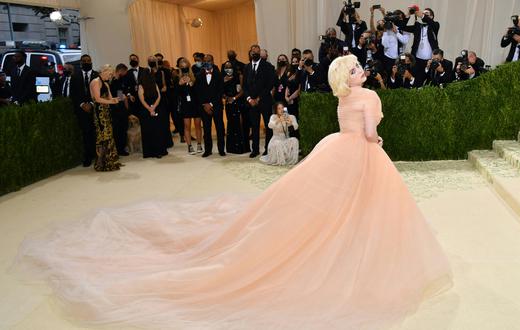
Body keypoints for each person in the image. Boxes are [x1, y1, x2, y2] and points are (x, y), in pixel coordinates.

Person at [17, 54, 452, 330]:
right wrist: (376, 143)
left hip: (336, 151)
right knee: (366, 205)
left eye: (357, 66)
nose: (360, 70)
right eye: (354, 67)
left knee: (329, 205)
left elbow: (349, 125)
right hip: (362, 154)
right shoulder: (371, 97)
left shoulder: (343, 99)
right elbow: (372, 133)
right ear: (350, 76)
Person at [242, 44, 276, 158]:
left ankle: (268, 148)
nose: (255, 54)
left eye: (257, 52)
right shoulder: (246, 67)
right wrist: (249, 99)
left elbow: (270, 84)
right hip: (251, 103)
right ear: (250, 53)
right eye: (253, 52)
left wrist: (258, 98)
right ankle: (255, 149)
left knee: (268, 126)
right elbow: (244, 86)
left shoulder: (267, 66)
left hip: (264, 101)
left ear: (260, 53)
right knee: (254, 126)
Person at [90, 64, 122, 171]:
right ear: (103, 71)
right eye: (109, 74)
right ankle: (102, 163)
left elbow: (110, 97)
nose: (110, 76)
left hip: (106, 112)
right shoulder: (95, 82)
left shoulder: (106, 84)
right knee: (102, 136)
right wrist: (111, 102)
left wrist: (116, 99)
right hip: (99, 113)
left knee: (109, 135)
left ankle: (111, 160)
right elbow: (97, 99)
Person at [70, 54, 99, 167]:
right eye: (84, 61)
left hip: (95, 109)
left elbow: (100, 93)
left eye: (88, 60)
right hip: (81, 110)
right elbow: (73, 94)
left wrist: (91, 104)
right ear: (81, 63)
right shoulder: (75, 76)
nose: (86, 62)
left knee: (96, 133)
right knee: (86, 133)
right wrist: (82, 104)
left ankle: (97, 155)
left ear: (91, 61)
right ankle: (88, 156)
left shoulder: (97, 75)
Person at [194, 54, 225, 157]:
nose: (207, 62)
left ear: (213, 61)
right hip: (204, 107)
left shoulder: (219, 74)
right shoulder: (198, 75)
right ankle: (208, 150)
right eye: (205, 61)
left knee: (220, 128)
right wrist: (205, 104)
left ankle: (221, 150)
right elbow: (197, 92)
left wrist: (211, 104)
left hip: (216, 106)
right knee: (206, 130)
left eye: (209, 60)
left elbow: (220, 92)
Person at [400, 8, 440, 86]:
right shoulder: (417, 26)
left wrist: (422, 15)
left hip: (430, 61)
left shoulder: (435, 25)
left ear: (431, 16)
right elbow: (402, 27)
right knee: (414, 80)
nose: (423, 15)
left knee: (429, 82)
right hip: (417, 60)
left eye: (426, 14)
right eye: (423, 13)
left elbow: (431, 23)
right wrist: (408, 15)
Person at [137, 62, 167, 159]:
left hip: (153, 108)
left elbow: (159, 96)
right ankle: (150, 152)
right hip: (147, 110)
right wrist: (150, 108)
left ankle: (159, 150)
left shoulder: (155, 84)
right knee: (149, 131)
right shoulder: (141, 86)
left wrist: (153, 107)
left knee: (157, 130)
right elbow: (141, 99)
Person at [177, 57, 203, 155]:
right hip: (185, 105)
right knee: (187, 126)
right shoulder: (177, 78)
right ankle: (189, 146)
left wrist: (192, 85)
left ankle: (199, 144)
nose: (184, 69)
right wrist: (180, 84)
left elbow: (199, 92)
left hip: (195, 104)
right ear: (180, 68)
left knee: (198, 125)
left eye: (186, 67)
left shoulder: (195, 77)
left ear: (189, 67)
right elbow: (176, 94)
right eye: (182, 67)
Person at [223, 61, 246, 154]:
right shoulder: (223, 79)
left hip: (238, 102)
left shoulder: (239, 77)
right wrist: (226, 98)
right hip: (228, 103)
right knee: (230, 123)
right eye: (226, 67)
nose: (228, 69)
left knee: (238, 123)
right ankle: (231, 148)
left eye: (230, 67)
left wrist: (234, 98)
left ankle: (240, 148)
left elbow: (243, 90)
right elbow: (221, 91)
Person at [109, 63, 130, 156]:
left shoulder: (121, 80)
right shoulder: (112, 81)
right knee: (117, 130)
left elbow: (123, 93)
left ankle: (122, 148)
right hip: (115, 109)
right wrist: (123, 97)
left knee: (124, 129)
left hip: (122, 108)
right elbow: (117, 95)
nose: (125, 74)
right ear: (120, 70)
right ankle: (117, 149)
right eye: (125, 72)